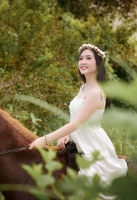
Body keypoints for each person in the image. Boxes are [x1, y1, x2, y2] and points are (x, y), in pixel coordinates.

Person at [29, 44, 128, 199]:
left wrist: (45, 139)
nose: (83, 61)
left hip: (94, 146)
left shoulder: (95, 92)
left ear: (98, 65)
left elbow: (76, 124)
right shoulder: (83, 88)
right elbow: (76, 118)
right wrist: (69, 135)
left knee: (86, 183)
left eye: (88, 58)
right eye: (81, 58)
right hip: (81, 140)